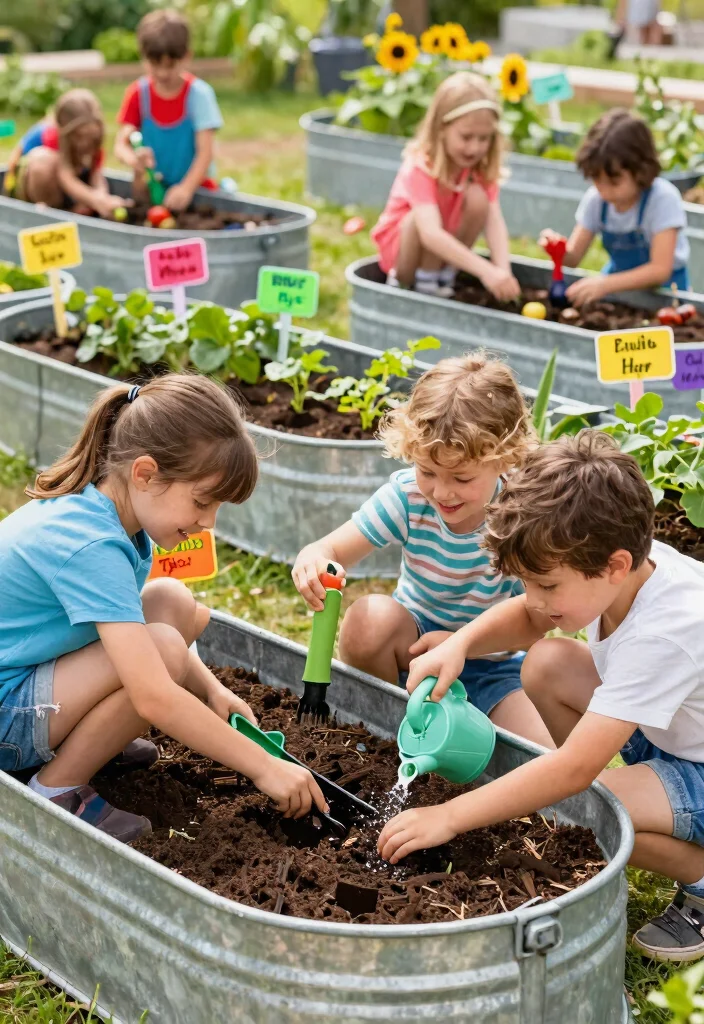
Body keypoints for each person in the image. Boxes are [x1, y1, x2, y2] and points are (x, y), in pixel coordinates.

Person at [378, 430, 704, 963]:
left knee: (589, 805)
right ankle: (641, 795)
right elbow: (529, 621)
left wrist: (450, 815)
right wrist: (461, 643)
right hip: (677, 735)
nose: (533, 600)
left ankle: (700, 876)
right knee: (548, 662)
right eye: (527, 583)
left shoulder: (665, 634)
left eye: (547, 586)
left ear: (615, 565)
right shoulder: (623, 567)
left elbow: (573, 772)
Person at [0, 375, 327, 843]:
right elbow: (153, 692)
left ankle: (94, 739)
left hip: (26, 679)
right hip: (6, 716)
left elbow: (135, 632)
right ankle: (57, 788)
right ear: (145, 474)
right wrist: (264, 766)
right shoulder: (91, 544)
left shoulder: (115, 516)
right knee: (165, 652)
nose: (208, 522)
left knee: (171, 602)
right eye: (202, 501)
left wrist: (212, 690)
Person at [292, 355, 553, 748]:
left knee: (540, 754)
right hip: (413, 653)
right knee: (368, 621)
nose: (442, 492)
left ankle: (456, 731)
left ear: (503, 458)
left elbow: (537, 620)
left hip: (491, 664)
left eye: (461, 477)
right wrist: (312, 558)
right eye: (427, 471)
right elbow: (330, 548)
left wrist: (460, 645)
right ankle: (392, 731)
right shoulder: (409, 497)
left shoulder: (522, 512)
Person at [371, 71, 520, 301]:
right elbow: (430, 234)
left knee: (479, 199)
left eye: (484, 138)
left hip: (442, 250)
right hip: (404, 255)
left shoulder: (477, 169)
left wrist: (503, 272)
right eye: (466, 137)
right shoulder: (421, 166)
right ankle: (412, 285)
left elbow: (494, 223)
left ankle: (443, 277)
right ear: (441, 128)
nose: (474, 148)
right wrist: (485, 271)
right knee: (417, 219)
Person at [540, 109, 689, 307]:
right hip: (619, 290)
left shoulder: (662, 199)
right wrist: (557, 251)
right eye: (597, 180)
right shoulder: (596, 200)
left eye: (614, 182)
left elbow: (660, 270)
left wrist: (605, 284)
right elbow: (574, 257)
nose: (604, 191)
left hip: (666, 294)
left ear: (641, 170)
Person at [114, 9, 223, 212]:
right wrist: (134, 160)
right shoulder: (138, 94)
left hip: (197, 190)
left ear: (187, 56)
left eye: (171, 65)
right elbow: (121, 144)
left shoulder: (199, 95)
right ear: (143, 57)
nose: (163, 73)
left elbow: (205, 153)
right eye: (155, 64)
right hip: (154, 190)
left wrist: (186, 189)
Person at [3, 89, 126, 219]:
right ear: (63, 130)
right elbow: (66, 177)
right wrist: (94, 200)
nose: (84, 142)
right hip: (29, 186)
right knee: (44, 161)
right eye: (79, 136)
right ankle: (51, 212)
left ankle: (70, 210)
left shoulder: (92, 140)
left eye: (90, 137)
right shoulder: (51, 135)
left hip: (65, 188)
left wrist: (103, 198)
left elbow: (96, 174)